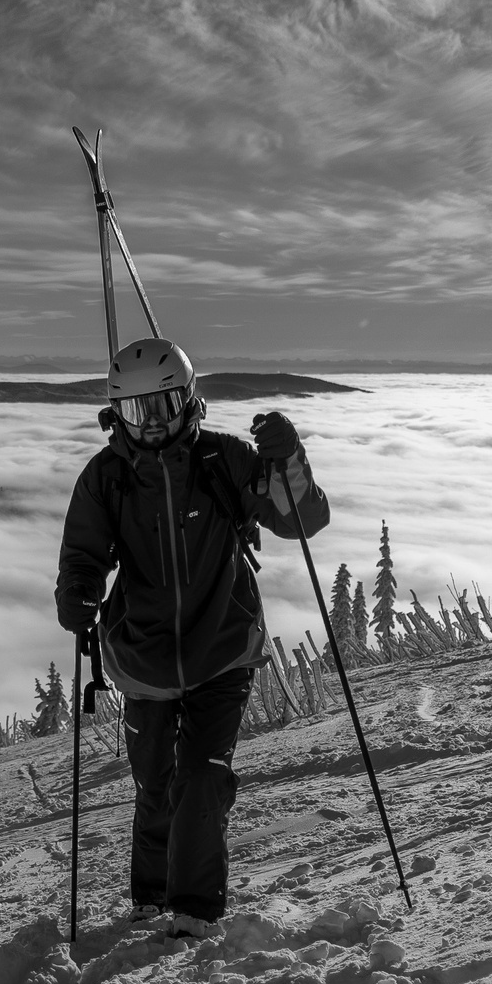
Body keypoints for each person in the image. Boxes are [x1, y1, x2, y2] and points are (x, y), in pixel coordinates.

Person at [54, 338, 331, 938]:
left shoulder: (223, 460)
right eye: (136, 410)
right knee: (156, 785)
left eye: (163, 405)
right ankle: (151, 899)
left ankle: (194, 912)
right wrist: (78, 591)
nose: (152, 423)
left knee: (202, 776)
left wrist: (288, 459)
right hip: (143, 658)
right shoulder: (107, 477)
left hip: (222, 647)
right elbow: (83, 553)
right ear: (116, 413)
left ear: (188, 399)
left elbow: (301, 519)